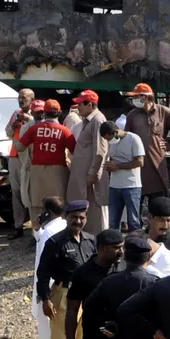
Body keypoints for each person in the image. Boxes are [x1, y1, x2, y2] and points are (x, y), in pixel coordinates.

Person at [35, 200, 96, 339]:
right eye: (74, 217)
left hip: (86, 296)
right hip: (63, 294)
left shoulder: (90, 241)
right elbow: (42, 274)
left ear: (86, 218)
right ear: (67, 218)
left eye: (81, 217)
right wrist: (45, 299)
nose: (77, 221)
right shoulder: (55, 242)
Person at [122, 82, 170, 208]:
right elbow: (127, 138)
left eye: (136, 97)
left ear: (145, 97)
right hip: (138, 166)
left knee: (158, 206)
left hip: (157, 165)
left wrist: (169, 145)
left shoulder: (163, 112)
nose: (134, 100)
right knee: (135, 206)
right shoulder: (132, 116)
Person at [16, 100, 76, 220]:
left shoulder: (34, 129)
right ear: (59, 113)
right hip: (58, 171)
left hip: (37, 171)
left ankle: (38, 232)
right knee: (59, 204)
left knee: (37, 204)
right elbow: (75, 150)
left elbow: (19, 147)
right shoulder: (64, 131)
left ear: (45, 113)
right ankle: (58, 231)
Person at [31, 196, 67, 339]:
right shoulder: (60, 227)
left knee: (47, 325)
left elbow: (43, 264)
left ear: (48, 212)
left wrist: (42, 292)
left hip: (48, 286)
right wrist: (36, 229)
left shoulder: (50, 233)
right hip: (57, 285)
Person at [66, 90, 109, 235]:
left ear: (89, 104)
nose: (78, 107)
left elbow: (100, 150)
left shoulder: (97, 120)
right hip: (83, 177)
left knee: (96, 211)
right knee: (86, 210)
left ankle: (98, 240)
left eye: (80, 104)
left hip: (90, 178)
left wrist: (93, 173)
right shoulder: (87, 121)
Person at [102, 121, 146, 232]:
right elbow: (112, 159)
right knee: (113, 223)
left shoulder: (133, 139)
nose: (109, 141)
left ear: (116, 132)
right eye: (106, 140)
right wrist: (109, 166)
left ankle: (135, 246)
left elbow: (140, 162)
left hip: (131, 186)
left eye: (109, 138)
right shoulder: (111, 142)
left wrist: (118, 166)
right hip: (114, 186)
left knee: (133, 222)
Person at [4, 88, 36, 238]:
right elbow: (7, 133)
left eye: (24, 97)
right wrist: (13, 126)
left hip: (28, 157)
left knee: (30, 191)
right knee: (16, 192)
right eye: (19, 97)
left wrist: (28, 119)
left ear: (32, 99)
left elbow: (36, 125)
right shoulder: (16, 113)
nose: (21, 100)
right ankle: (18, 227)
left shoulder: (36, 112)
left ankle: (34, 227)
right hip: (14, 156)